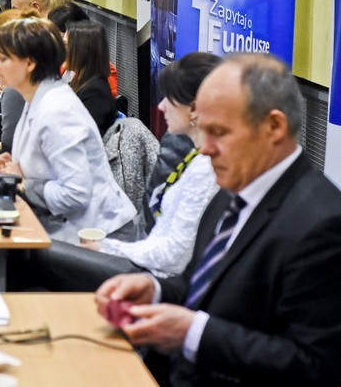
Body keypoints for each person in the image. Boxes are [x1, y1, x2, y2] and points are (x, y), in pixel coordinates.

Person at [95, 53, 341, 385]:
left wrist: (193, 332)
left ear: (274, 127)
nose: (205, 149)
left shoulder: (321, 224)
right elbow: (202, 285)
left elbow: (314, 365)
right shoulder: (233, 187)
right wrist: (153, 290)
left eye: (219, 132)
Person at [43, 53, 221, 293]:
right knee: (43, 252)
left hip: (155, 278)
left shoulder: (205, 170)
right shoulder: (195, 158)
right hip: (145, 261)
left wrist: (107, 248)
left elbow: (173, 256)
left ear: (194, 109)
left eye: (169, 98)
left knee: (40, 254)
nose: (161, 106)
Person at [0, 12, 137, 245]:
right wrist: (17, 168)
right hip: (67, 228)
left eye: (2, 58)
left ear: (29, 63)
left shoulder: (57, 110)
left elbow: (74, 194)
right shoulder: (37, 97)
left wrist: (23, 182)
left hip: (99, 239)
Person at [65, 21, 118, 136]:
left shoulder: (95, 92)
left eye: (66, 45)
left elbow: (88, 138)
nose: (63, 50)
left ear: (80, 51)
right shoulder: (80, 81)